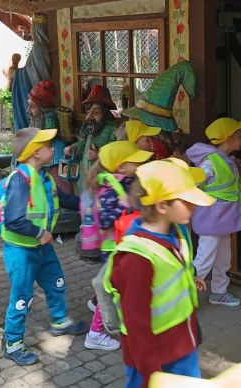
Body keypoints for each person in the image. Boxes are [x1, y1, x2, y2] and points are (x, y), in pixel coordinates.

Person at [103, 159, 215, 387]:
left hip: (182, 343)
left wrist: (189, 278)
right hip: (154, 354)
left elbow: (172, 270)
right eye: (187, 200)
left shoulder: (176, 232)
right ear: (162, 206)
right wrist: (150, 372)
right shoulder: (136, 258)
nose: (194, 205)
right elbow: (136, 322)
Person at [1, 127, 87, 366]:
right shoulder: (20, 180)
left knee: (56, 282)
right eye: (48, 146)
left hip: (41, 246)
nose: (53, 149)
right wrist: (40, 233)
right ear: (36, 152)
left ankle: (60, 321)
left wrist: (88, 204)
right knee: (22, 296)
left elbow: (63, 199)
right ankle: (12, 342)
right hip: (21, 250)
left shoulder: (45, 177)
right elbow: (13, 219)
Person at [83, 141, 153, 351]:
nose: (141, 164)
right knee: (114, 290)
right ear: (121, 167)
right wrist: (127, 209)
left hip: (126, 246)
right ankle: (95, 333)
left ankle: (111, 313)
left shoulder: (128, 182)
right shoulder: (111, 190)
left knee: (119, 287)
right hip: (114, 249)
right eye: (136, 161)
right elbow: (105, 221)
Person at [186, 117, 241, 307]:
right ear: (228, 139)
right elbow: (196, 182)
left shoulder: (224, 159)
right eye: (239, 136)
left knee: (223, 259)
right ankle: (183, 298)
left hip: (222, 219)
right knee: (203, 260)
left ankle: (219, 292)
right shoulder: (211, 162)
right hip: (212, 218)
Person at [64, 85, 118, 194]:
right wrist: (74, 148)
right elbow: (85, 142)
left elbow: (115, 157)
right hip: (85, 175)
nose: (90, 116)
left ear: (105, 115)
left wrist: (98, 156)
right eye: (88, 112)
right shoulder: (92, 129)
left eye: (96, 112)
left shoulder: (112, 131)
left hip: (101, 180)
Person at [27, 80, 69, 192]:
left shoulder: (50, 116)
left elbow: (48, 135)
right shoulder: (37, 118)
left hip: (58, 156)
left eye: (32, 106)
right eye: (29, 106)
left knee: (62, 183)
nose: (28, 110)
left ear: (42, 107)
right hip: (46, 157)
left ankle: (66, 200)